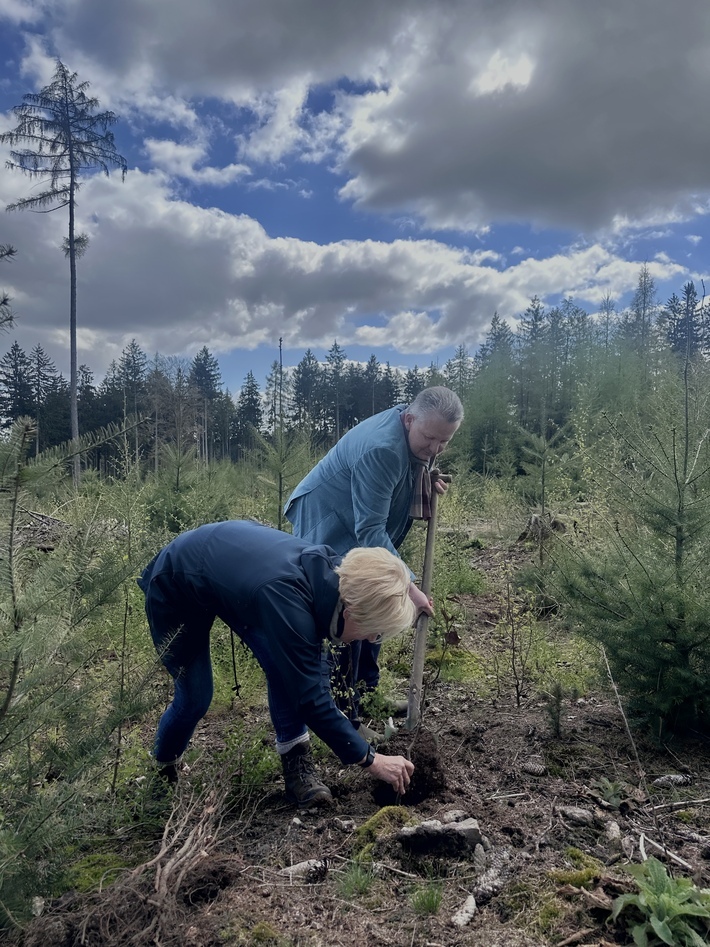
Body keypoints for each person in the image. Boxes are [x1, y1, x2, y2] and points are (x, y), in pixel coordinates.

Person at [137, 520, 417, 808]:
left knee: (283, 666)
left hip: (236, 577)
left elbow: (308, 673)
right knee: (195, 696)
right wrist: (371, 759)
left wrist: (406, 587)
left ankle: (297, 766)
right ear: (351, 611)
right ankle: (163, 769)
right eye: (374, 630)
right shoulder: (289, 601)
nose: (372, 638)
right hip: (176, 582)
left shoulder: (337, 581)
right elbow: (310, 696)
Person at [284, 386, 464, 740]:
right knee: (349, 607)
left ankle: (367, 695)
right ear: (409, 419)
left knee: (377, 602)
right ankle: (342, 714)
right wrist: (408, 585)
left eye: (444, 442)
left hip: (359, 522)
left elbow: (412, 464)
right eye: (429, 439)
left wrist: (427, 475)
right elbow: (370, 531)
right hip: (330, 520)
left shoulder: (414, 431)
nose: (435, 449)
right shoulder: (382, 448)